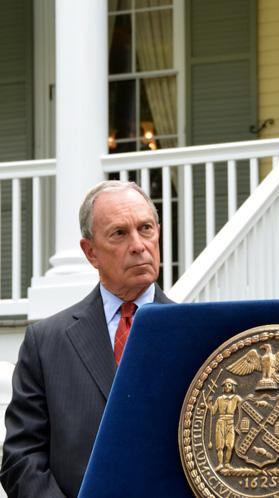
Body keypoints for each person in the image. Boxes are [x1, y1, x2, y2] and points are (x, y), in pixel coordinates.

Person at [0, 180, 173, 498]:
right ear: (90, 251)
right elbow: (20, 460)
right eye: (119, 233)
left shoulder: (194, 333)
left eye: (145, 228)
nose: (138, 244)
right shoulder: (45, 342)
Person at [209, 378, 242, 471]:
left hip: (230, 422)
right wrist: (208, 403)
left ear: (233, 387)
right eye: (226, 385)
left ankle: (227, 463)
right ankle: (220, 464)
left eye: (229, 385)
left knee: (230, 445)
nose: (227, 387)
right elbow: (213, 411)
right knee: (220, 445)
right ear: (223, 387)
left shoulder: (236, 398)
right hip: (221, 422)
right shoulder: (219, 399)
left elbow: (245, 404)